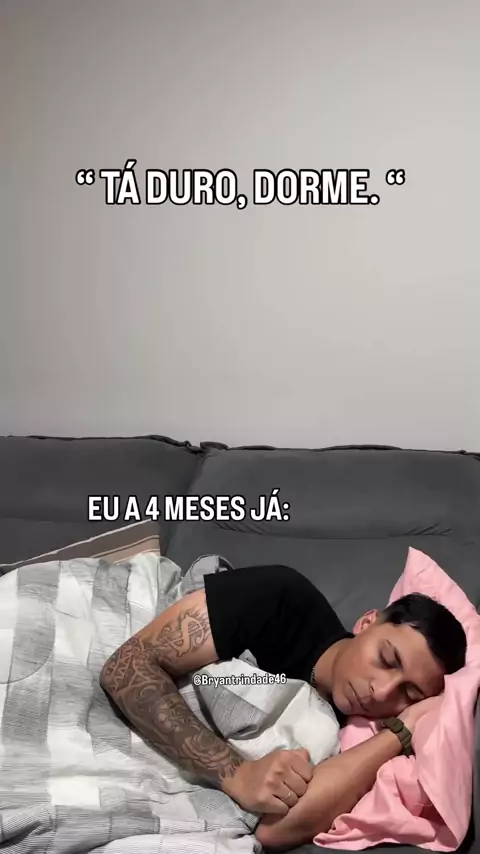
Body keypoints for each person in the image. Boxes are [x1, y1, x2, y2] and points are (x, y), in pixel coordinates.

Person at [100, 564, 467, 851]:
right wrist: (237, 774)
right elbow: (126, 667)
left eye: (409, 694)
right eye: (386, 659)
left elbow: (275, 831)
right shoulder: (283, 600)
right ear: (367, 622)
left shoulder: (355, 735)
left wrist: (401, 730)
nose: (382, 692)